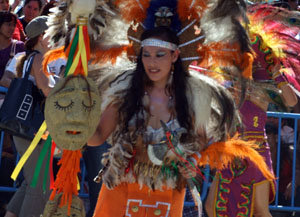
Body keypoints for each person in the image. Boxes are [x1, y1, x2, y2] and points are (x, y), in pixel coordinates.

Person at [87, 26, 274, 217]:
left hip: (167, 191)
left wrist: (192, 161)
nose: (152, 62)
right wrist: (77, 125)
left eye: (160, 55)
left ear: (175, 55)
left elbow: (200, 141)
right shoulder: (124, 91)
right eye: (147, 54)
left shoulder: (193, 95)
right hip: (121, 188)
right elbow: (98, 137)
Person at [205, 33, 298, 217]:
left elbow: (292, 101)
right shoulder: (225, 87)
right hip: (230, 152)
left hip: (256, 154)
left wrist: (275, 71)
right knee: (212, 206)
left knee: (260, 210)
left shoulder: (262, 89)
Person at [4, 15, 52, 217]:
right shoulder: (39, 58)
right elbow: (47, 90)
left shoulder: (28, 57)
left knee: (30, 182)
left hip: (23, 129)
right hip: (33, 131)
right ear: (42, 37)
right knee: (40, 187)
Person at [0, 11, 24, 80]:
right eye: (8, 24)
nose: (12, 28)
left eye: (14, 25)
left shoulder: (19, 46)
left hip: (8, 89)